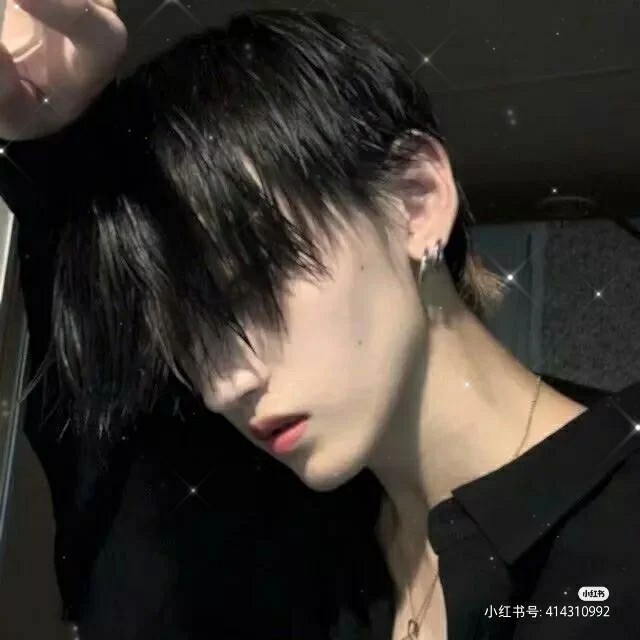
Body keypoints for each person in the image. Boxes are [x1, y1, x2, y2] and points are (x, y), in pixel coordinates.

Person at [2, 4, 640, 640]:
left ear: (416, 200)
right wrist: (58, 141)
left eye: (253, 287)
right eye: (186, 337)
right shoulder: (302, 543)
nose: (222, 385)